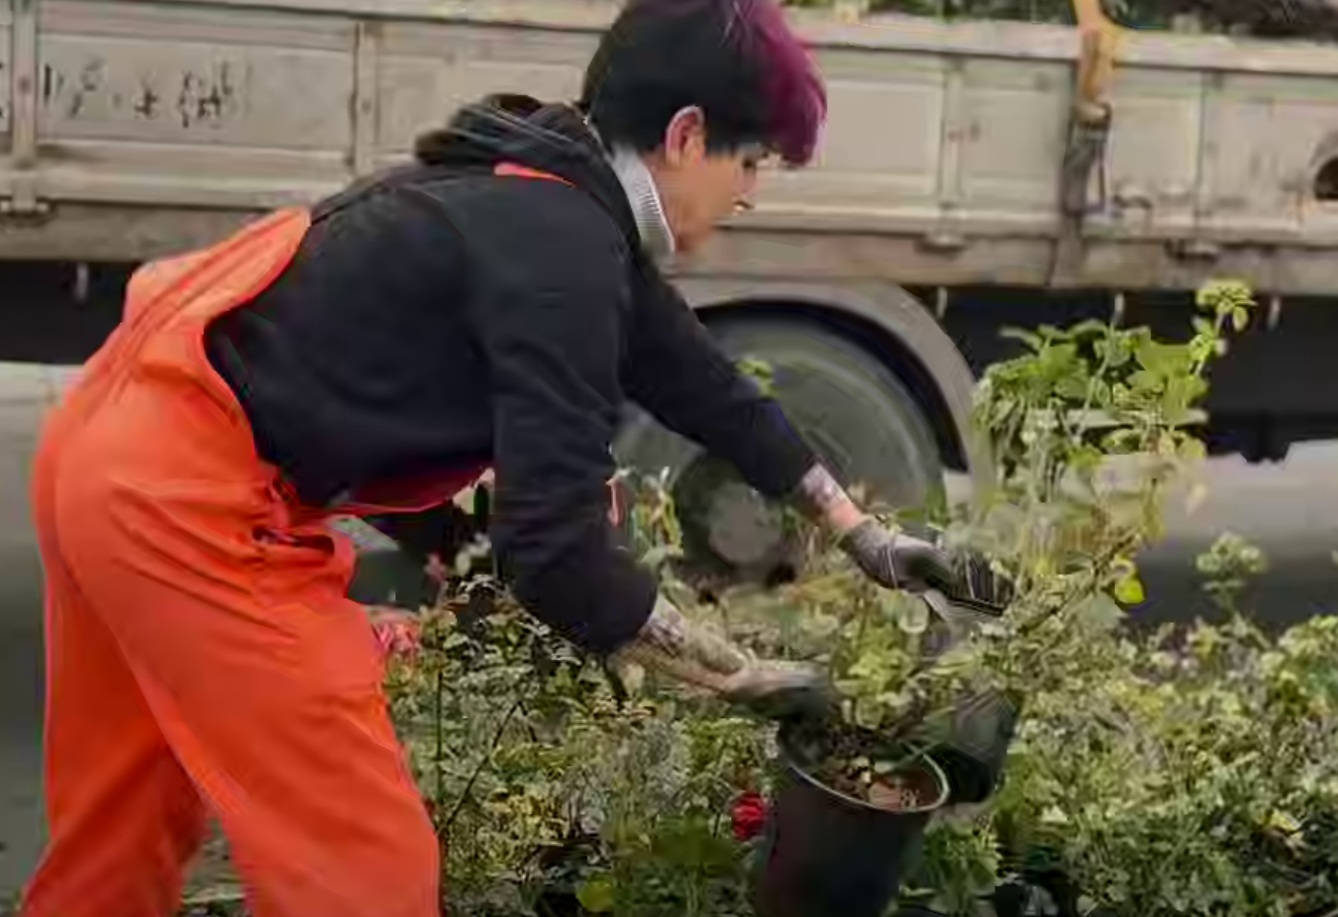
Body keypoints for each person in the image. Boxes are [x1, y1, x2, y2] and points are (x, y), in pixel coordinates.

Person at [16, 0, 1001, 914]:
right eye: (751, 164)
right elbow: (555, 557)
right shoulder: (562, 249)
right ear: (689, 134)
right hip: (186, 506)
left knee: (123, 832)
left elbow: (703, 383)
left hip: (108, 442)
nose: (751, 195)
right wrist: (752, 676)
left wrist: (860, 530)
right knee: (368, 873)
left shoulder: (542, 188)